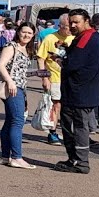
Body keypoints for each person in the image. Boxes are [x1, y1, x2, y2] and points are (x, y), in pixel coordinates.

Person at [54, 9, 99, 174]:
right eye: (71, 22)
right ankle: (73, 159)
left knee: (77, 127)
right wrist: (67, 49)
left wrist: (61, 59)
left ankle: (81, 162)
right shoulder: (86, 37)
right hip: (77, 91)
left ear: (86, 21)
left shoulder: (88, 37)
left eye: (76, 22)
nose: (73, 25)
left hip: (80, 92)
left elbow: (74, 63)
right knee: (70, 126)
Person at [0, 23, 38, 169]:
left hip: (19, 87)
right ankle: (16, 157)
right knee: (18, 121)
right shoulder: (11, 46)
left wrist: (36, 73)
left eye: (30, 33)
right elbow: (1, 65)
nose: (26, 35)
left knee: (10, 120)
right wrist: (10, 82)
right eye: (24, 32)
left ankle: (5, 156)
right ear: (18, 32)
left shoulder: (25, 49)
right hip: (13, 88)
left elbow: (19, 70)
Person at [36, 12, 72, 145]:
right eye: (68, 26)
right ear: (61, 26)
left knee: (70, 107)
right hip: (54, 78)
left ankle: (68, 132)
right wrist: (44, 78)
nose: (70, 28)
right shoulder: (50, 38)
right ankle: (52, 132)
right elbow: (41, 58)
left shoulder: (75, 38)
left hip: (71, 79)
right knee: (56, 105)